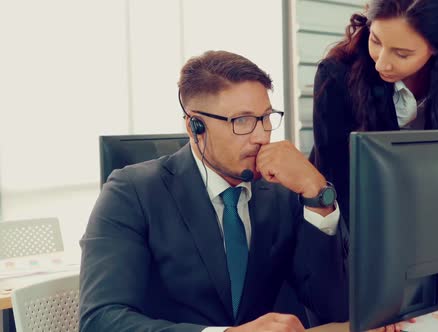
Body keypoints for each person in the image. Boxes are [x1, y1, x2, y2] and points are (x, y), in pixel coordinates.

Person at [79, 50, 349, 331]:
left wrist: (317, 194)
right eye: (241, 121)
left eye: (266, 117)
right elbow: (100, 321)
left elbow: (335, 307)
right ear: (195, 126)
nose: (262, 136)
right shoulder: (131, 193)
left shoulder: (282, 191)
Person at [309, 0, 438, 225]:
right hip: (360, 221)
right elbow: (334, 179)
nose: (382, 64)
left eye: (402, 54)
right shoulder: (337, 76)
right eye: (375, 40)